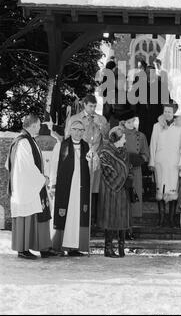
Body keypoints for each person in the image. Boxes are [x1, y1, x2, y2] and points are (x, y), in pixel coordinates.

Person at [6, 114, 54, 259]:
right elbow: (26, 167)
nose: (40, 127)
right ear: (33, 125)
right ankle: (23, 249)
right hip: (25, 186)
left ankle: (43, 247)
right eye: (38, 125)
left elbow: (8, 164)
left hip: (29, 185)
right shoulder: (23, 143)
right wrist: (42, 179)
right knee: (27, 215)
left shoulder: (26, 140)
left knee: (38, 214)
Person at [65, 94, 109, 227]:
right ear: (84, 105)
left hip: (96, 159)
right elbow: (67, 138)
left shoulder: (101, 119)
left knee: (94, 189)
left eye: (95, 106)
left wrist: (101, 126)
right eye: (90, 106)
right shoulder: (75, 118)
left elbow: (107, 139)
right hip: (79, 157)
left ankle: (93, 220)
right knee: (80, 187)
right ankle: (79, 218)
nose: (93, 109)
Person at [49, 120, 91, 256]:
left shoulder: (87, 146)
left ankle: (75, 247)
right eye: (75, 129)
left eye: (81, 130)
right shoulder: (61, 145)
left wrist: (93, 160)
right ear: (70, 130)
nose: (78, 133)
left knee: (77, 216)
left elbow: (92, 167)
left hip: (80, 188)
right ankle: (60, 246)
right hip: (65, 187)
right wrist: (53, 185)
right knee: (64, 215)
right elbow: (54, 166)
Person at [149, 103, 181, 227]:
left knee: (173, 191)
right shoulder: (157, 126)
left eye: (170, 112)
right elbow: (153, 144)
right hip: (160, 163)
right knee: (160, 190)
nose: (167, 114)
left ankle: (171, 219)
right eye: (165, 111)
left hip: (174, 163)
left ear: (174, 113)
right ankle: (161, 219)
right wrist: (152, 162)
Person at [97, 126, 132, 258]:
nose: (125, 140)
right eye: (123, 137)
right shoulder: (105, 153)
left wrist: (130, 179)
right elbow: (107, 172)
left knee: (122, 218)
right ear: (117, 138)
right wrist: (122, 180)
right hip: (110, 191)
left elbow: (130, 168)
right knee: (110, 219)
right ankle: (108, 249)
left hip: (123, 192)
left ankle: (121, 248)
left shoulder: (124, 151)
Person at [122, 110, 149, 220]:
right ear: (123, 122)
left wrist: (139, 159)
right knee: (122, 198)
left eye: (133, 121)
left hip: (136, 170)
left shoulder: (141, 136)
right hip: (121, 170)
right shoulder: (118, 134)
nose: (131, 124)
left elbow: (146, 154)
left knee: (134, 196)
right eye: (129, 122)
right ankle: (121, 227)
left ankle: (131, 226)